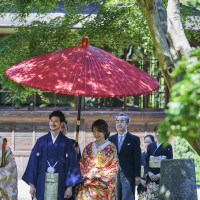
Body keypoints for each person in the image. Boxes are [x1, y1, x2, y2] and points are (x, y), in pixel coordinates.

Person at [22, 110, 82, 200]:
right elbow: (33, 163)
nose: (52, 123)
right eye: (51, 120)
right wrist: (32, 185)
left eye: (56, 121)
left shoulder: (67, 143)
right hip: (42, 182)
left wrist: (69, 188)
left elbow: (72, 165)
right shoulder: (41, 142)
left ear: (61, 123)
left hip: (61, 184)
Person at [76, 119, 118, 200]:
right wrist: (87, 175)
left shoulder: (111, 148)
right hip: (88, 186)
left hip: (103, 187)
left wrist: (96, 174)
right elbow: (82, 163)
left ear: (105, 131)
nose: (96, 134)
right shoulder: (89, 147)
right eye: (94, 131)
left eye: (99, 131)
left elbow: (113, 167)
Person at [109, 112, 141, 200]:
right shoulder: (111, 139)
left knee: (127, 197)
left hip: (128, 174)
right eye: (117, 121)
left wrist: (137, 176)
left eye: (122, 121)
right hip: (114, 173)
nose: (119, 124)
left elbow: (137, 158)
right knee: (115, 197)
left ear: (127, 124)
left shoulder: (134, 139)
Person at [145, 126, 173, 200]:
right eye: (156, 132)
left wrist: (159, 175)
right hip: (151, 176)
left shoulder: (168, 146)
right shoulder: (151, 146)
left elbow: (169, 163)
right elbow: (146, 161)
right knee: (151, 197)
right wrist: (149, 173)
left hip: (162, 175)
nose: (157, 134)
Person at [137, 134, 155, 200]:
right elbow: (136, 170)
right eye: (145, 142)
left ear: (153, 143)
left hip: (153, 184)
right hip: (142, 184)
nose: (147, 144)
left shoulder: (155, 156)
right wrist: (141, 180)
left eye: (149, 142)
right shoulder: (140, 156)